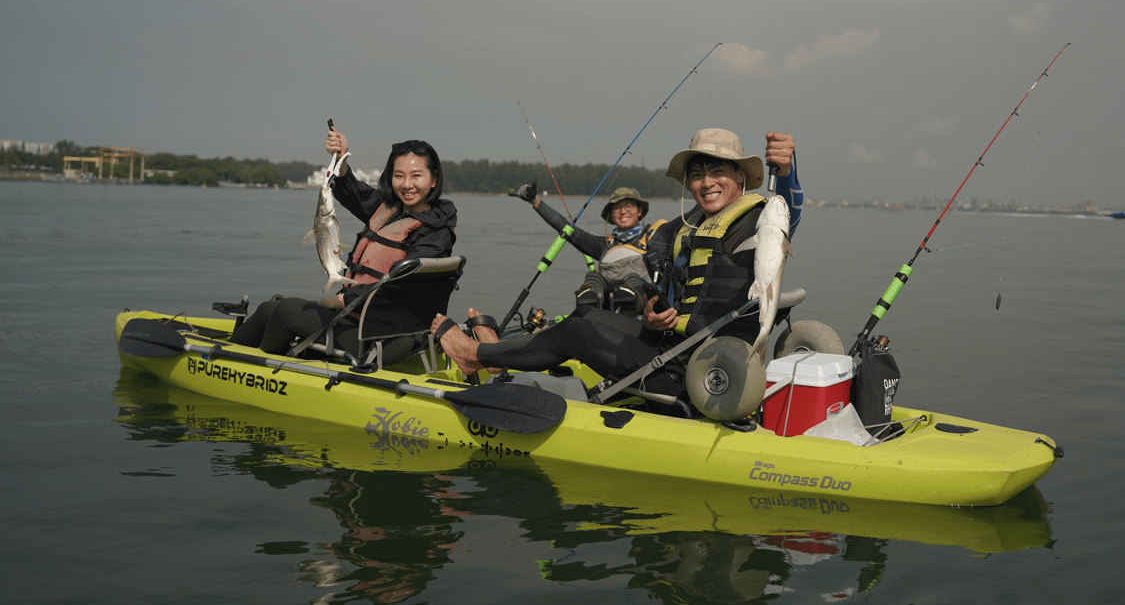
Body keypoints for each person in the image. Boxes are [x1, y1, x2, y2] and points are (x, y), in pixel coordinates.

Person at [431, 129, 800, 397]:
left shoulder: (762, 219)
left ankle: (474, 355)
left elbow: (788, 211)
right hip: (674, 345)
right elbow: (676, 297)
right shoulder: (688, 231)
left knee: (574, 335)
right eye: (697, 174)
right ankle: (499, 359)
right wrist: (654, 318)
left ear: (740, 176)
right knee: (582, 316)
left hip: (707, 371)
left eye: (718, 171)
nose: (706, 183)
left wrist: (784, 171)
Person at [230, 127, 457, 364]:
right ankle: (224, 354)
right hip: (357, 318)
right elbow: (353, 193)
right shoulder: (389, 209)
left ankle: (256, 374)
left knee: (286, 311)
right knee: (269, 309)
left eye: (416, 176)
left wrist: (342, 300)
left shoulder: (435, 233)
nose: (406, 184)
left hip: (387, 336)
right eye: (399, 175)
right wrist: (341, 159)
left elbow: (401, 286)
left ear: (434, 180)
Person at [512, 185, 665, 314]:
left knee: (634, 279)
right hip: (607, 310)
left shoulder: (657, 235)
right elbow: (565, 227)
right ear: (611, 215)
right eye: (617, 207)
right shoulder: (604, 244)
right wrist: (535, 200)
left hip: (643, 311)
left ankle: (630, 302)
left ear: (639, 211)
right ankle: (589, 311)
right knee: (593, 277)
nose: (623, 211)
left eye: (628, 206)